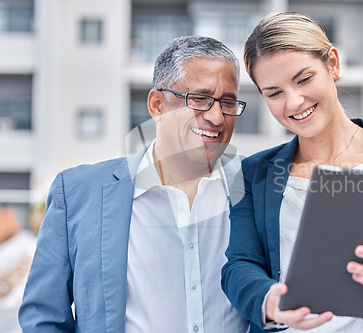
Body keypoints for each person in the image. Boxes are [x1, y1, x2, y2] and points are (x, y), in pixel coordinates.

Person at [221, 12, 363, 333]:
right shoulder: (255, 172)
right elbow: (240, 265)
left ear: (332, 63)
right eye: (274, 93)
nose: (294, 101)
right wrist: (268, 302)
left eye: (303, 79)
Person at [19, 36, 249, 332]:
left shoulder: (255, 189)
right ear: (157, 105)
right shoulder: (78, 193)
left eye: (227, 102)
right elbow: (43, 317)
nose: (217, 117)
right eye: (200, 99)